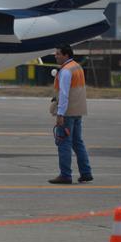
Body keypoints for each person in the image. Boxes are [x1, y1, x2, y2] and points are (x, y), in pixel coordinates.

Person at [48, 44, 92, 184]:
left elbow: (64, 94)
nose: (56, 56)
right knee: (77, 142)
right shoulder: (77, 67)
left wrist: (60, 114)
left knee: (64, 143)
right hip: (78, 111)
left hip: (67, 112)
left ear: (66, 55)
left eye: (58, 54)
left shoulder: (66, 71)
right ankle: (86, 172)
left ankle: (65, 175)